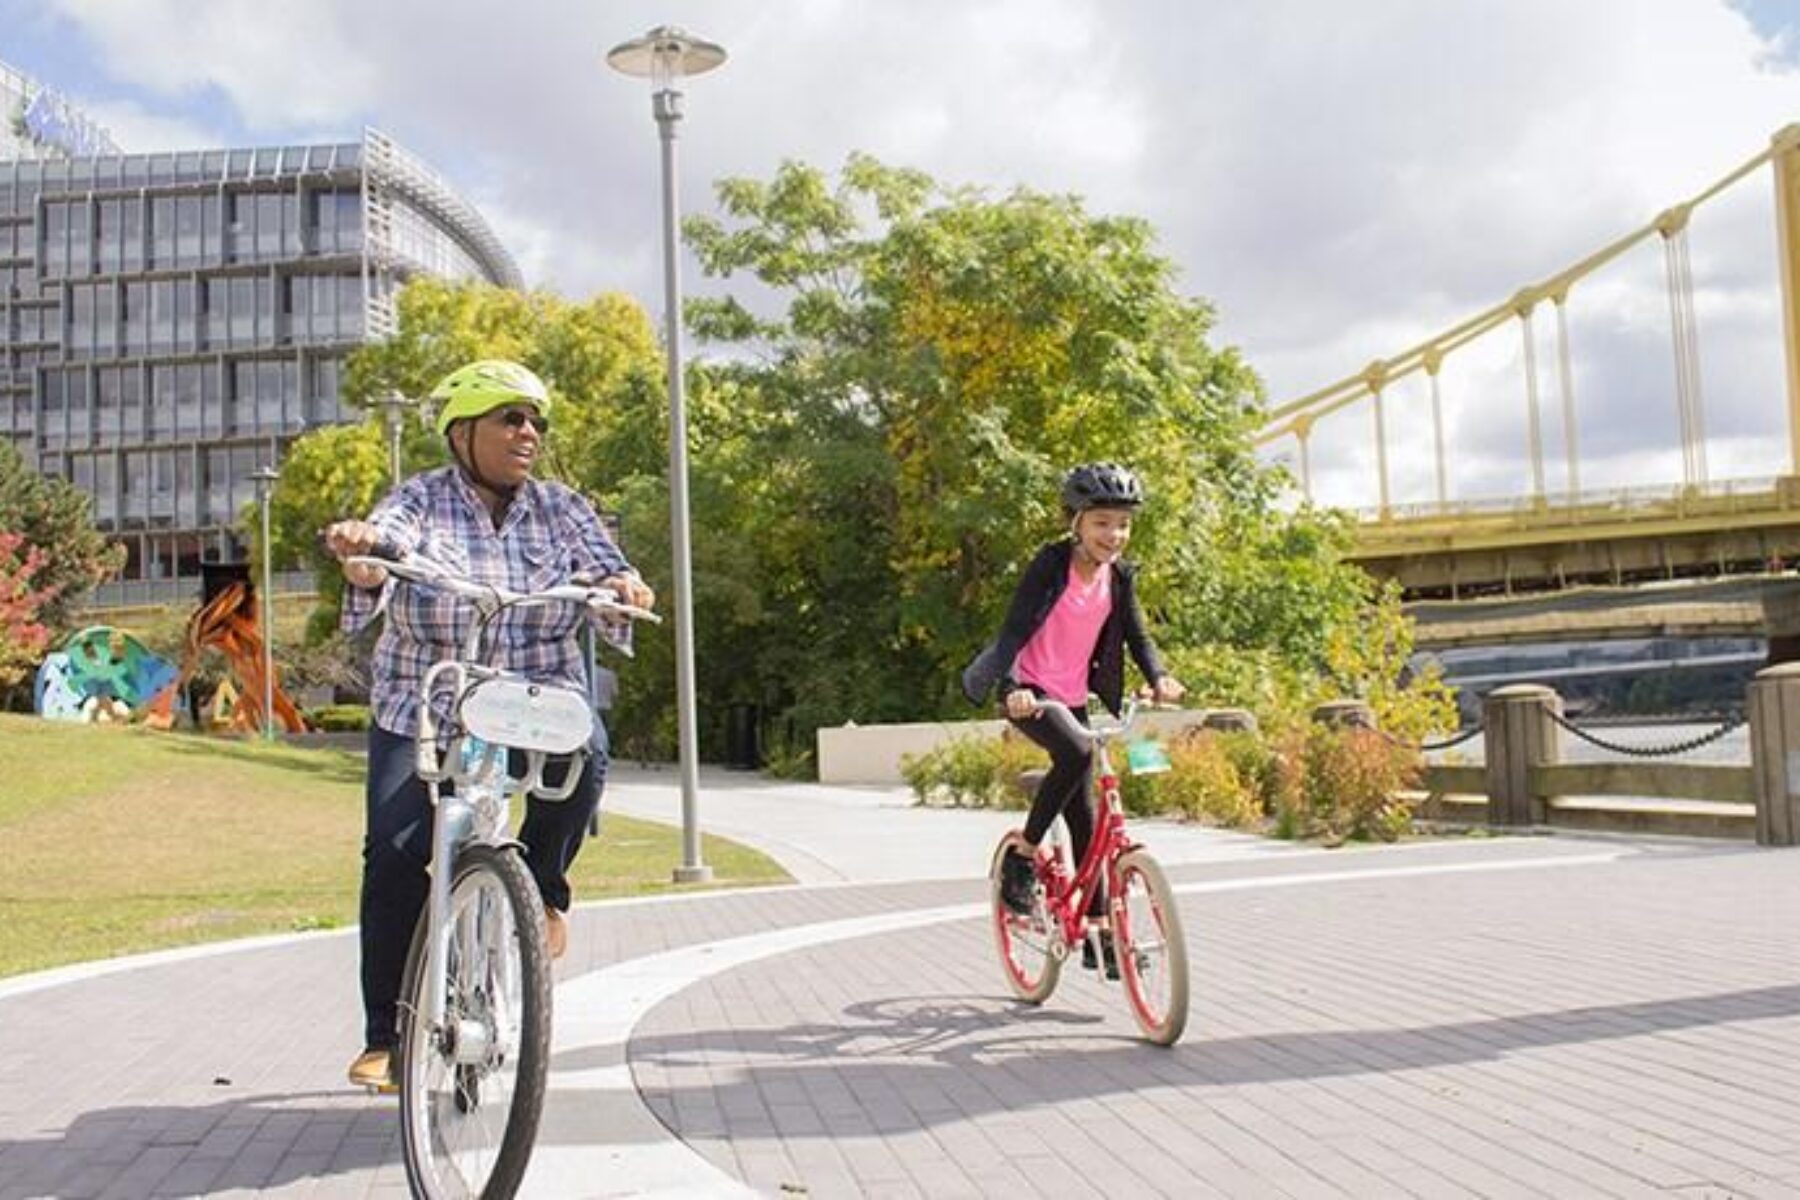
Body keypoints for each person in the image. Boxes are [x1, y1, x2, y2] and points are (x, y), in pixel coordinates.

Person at [323, 359, 655, 1090]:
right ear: (463, 432)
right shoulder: (419, 500)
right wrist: (364, 557)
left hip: (535, 697)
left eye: (536, 420)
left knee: (589, 753)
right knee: (394, 849)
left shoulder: (563, 509)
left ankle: (540, 889)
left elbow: (609, 575)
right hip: (426, 702)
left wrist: (623, 588)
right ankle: (387, 1035)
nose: (528, 433)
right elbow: (383, 545)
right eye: (511, 418)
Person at [961, 462, 1184, 976]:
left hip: (1075, 697)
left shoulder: (1120, 577)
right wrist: (1013, 687)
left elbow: (1138, 637)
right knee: (1078, 752)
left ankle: (1100, 935)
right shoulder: (1050, 565)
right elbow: (1016, 628)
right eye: (1103, 522)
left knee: (1087, 815)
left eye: (1123, 523)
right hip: (1032, 693)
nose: (1115, 534)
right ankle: (1024, 851)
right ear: (1077, 523)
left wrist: (1159, 676)